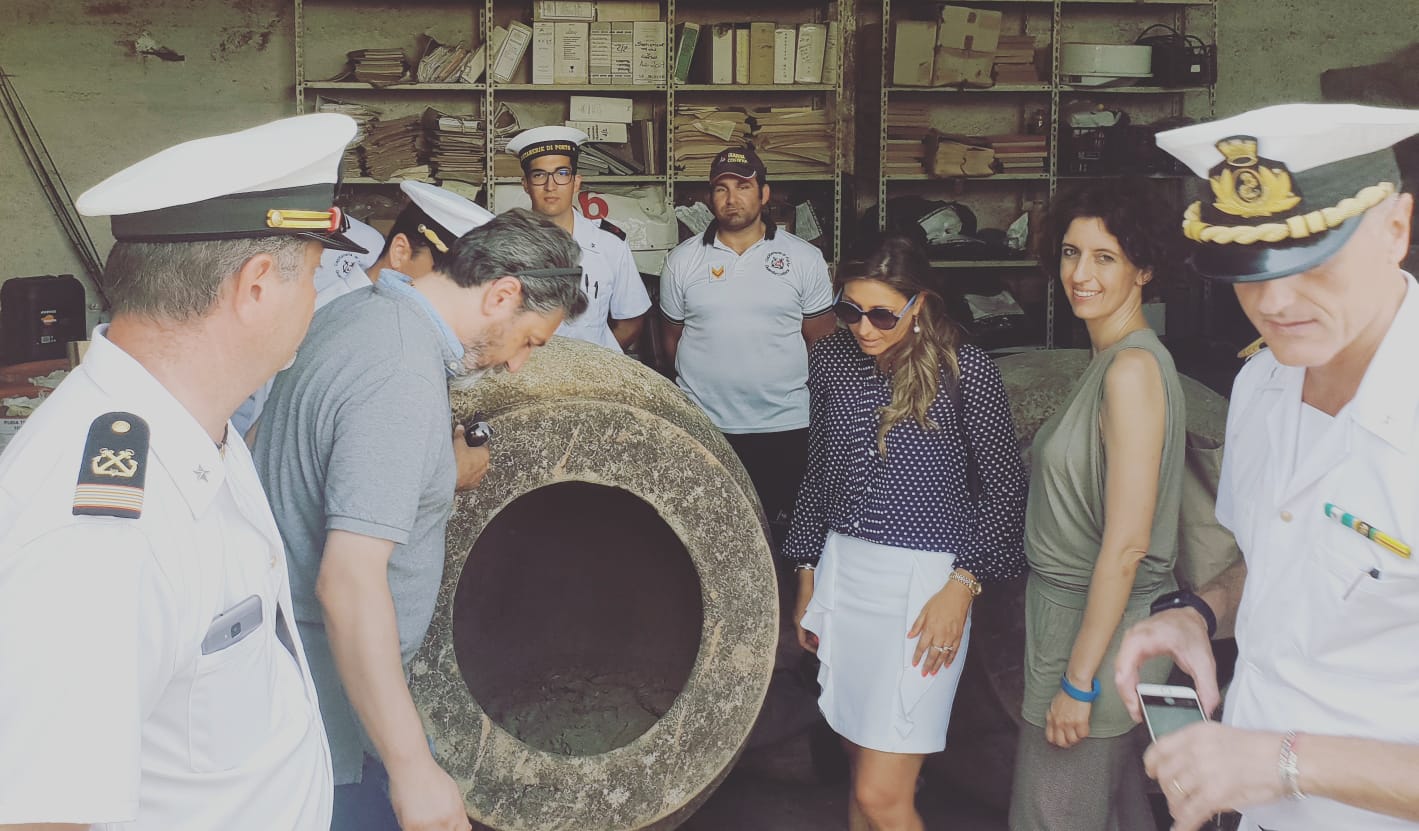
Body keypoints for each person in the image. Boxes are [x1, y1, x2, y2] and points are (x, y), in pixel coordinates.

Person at [0, 113, 364, 829]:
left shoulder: (195, 431)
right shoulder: (98, 530)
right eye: (314, 277)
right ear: (257, 286)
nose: (316, 303)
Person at [1113, 103, 1419, 831]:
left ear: (1395, 229)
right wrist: (1202, 611)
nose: (1275, 303)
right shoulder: (1263, 383)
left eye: (1314, 262)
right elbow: (1293, 555)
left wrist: (1282, 760)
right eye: (1250, 271)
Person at [253, 207, 585, 831]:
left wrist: (436, 473)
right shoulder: (401, 374)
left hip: (303, 689)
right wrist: (411, 769)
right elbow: (348, 583)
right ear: (503, 294)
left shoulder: (359, 314)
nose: (519, 363)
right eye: (529, 341)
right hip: (339, 714)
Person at [784, 237, 1028, 831]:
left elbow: (1005, 489)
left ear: (919, 304)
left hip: (923, 588)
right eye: (850, 310)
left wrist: (962, 585)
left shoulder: (965, 369)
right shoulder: (833, 358)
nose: (863, 328)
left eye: (882, 314)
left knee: (881, 794)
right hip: (845, 572)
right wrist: (806, 575)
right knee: (856, 757)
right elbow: (818, 473)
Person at [1006, 180, 1187, 830]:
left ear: (1144, 268)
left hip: (1096, 630)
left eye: (1104, 257)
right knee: (1112, 808)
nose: (1079, 274)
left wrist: (1079, 679)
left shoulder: (1130, 372)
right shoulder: (1108, 360)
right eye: (1069, 253)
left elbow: (1128, 543)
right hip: (1079, 617)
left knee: (1050, 816)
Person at [659, 146, 837, 526]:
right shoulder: (682, 260)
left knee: (787, 536)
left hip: (784, 425)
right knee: (712, 529)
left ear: (764, 194)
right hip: (706, 425)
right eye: (721, 188)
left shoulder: (803, 258)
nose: (731, 198)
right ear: (710, 198)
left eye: (742, 186)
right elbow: (671, 339)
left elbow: (821, 342)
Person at [230, 182, 493, 439]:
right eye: (449, 280)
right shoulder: (330, 324)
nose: (457, 301)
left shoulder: (395, 325)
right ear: (400, 252)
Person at [507, 126, 652, 352]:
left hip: (593, 381)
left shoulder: (609, 244)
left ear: (576, 182)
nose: (551, 186)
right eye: (539, 175)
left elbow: (630, 321)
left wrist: (594, 363)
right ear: (525, 184)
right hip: (526, 378)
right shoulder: (506, 247)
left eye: (562, 174)